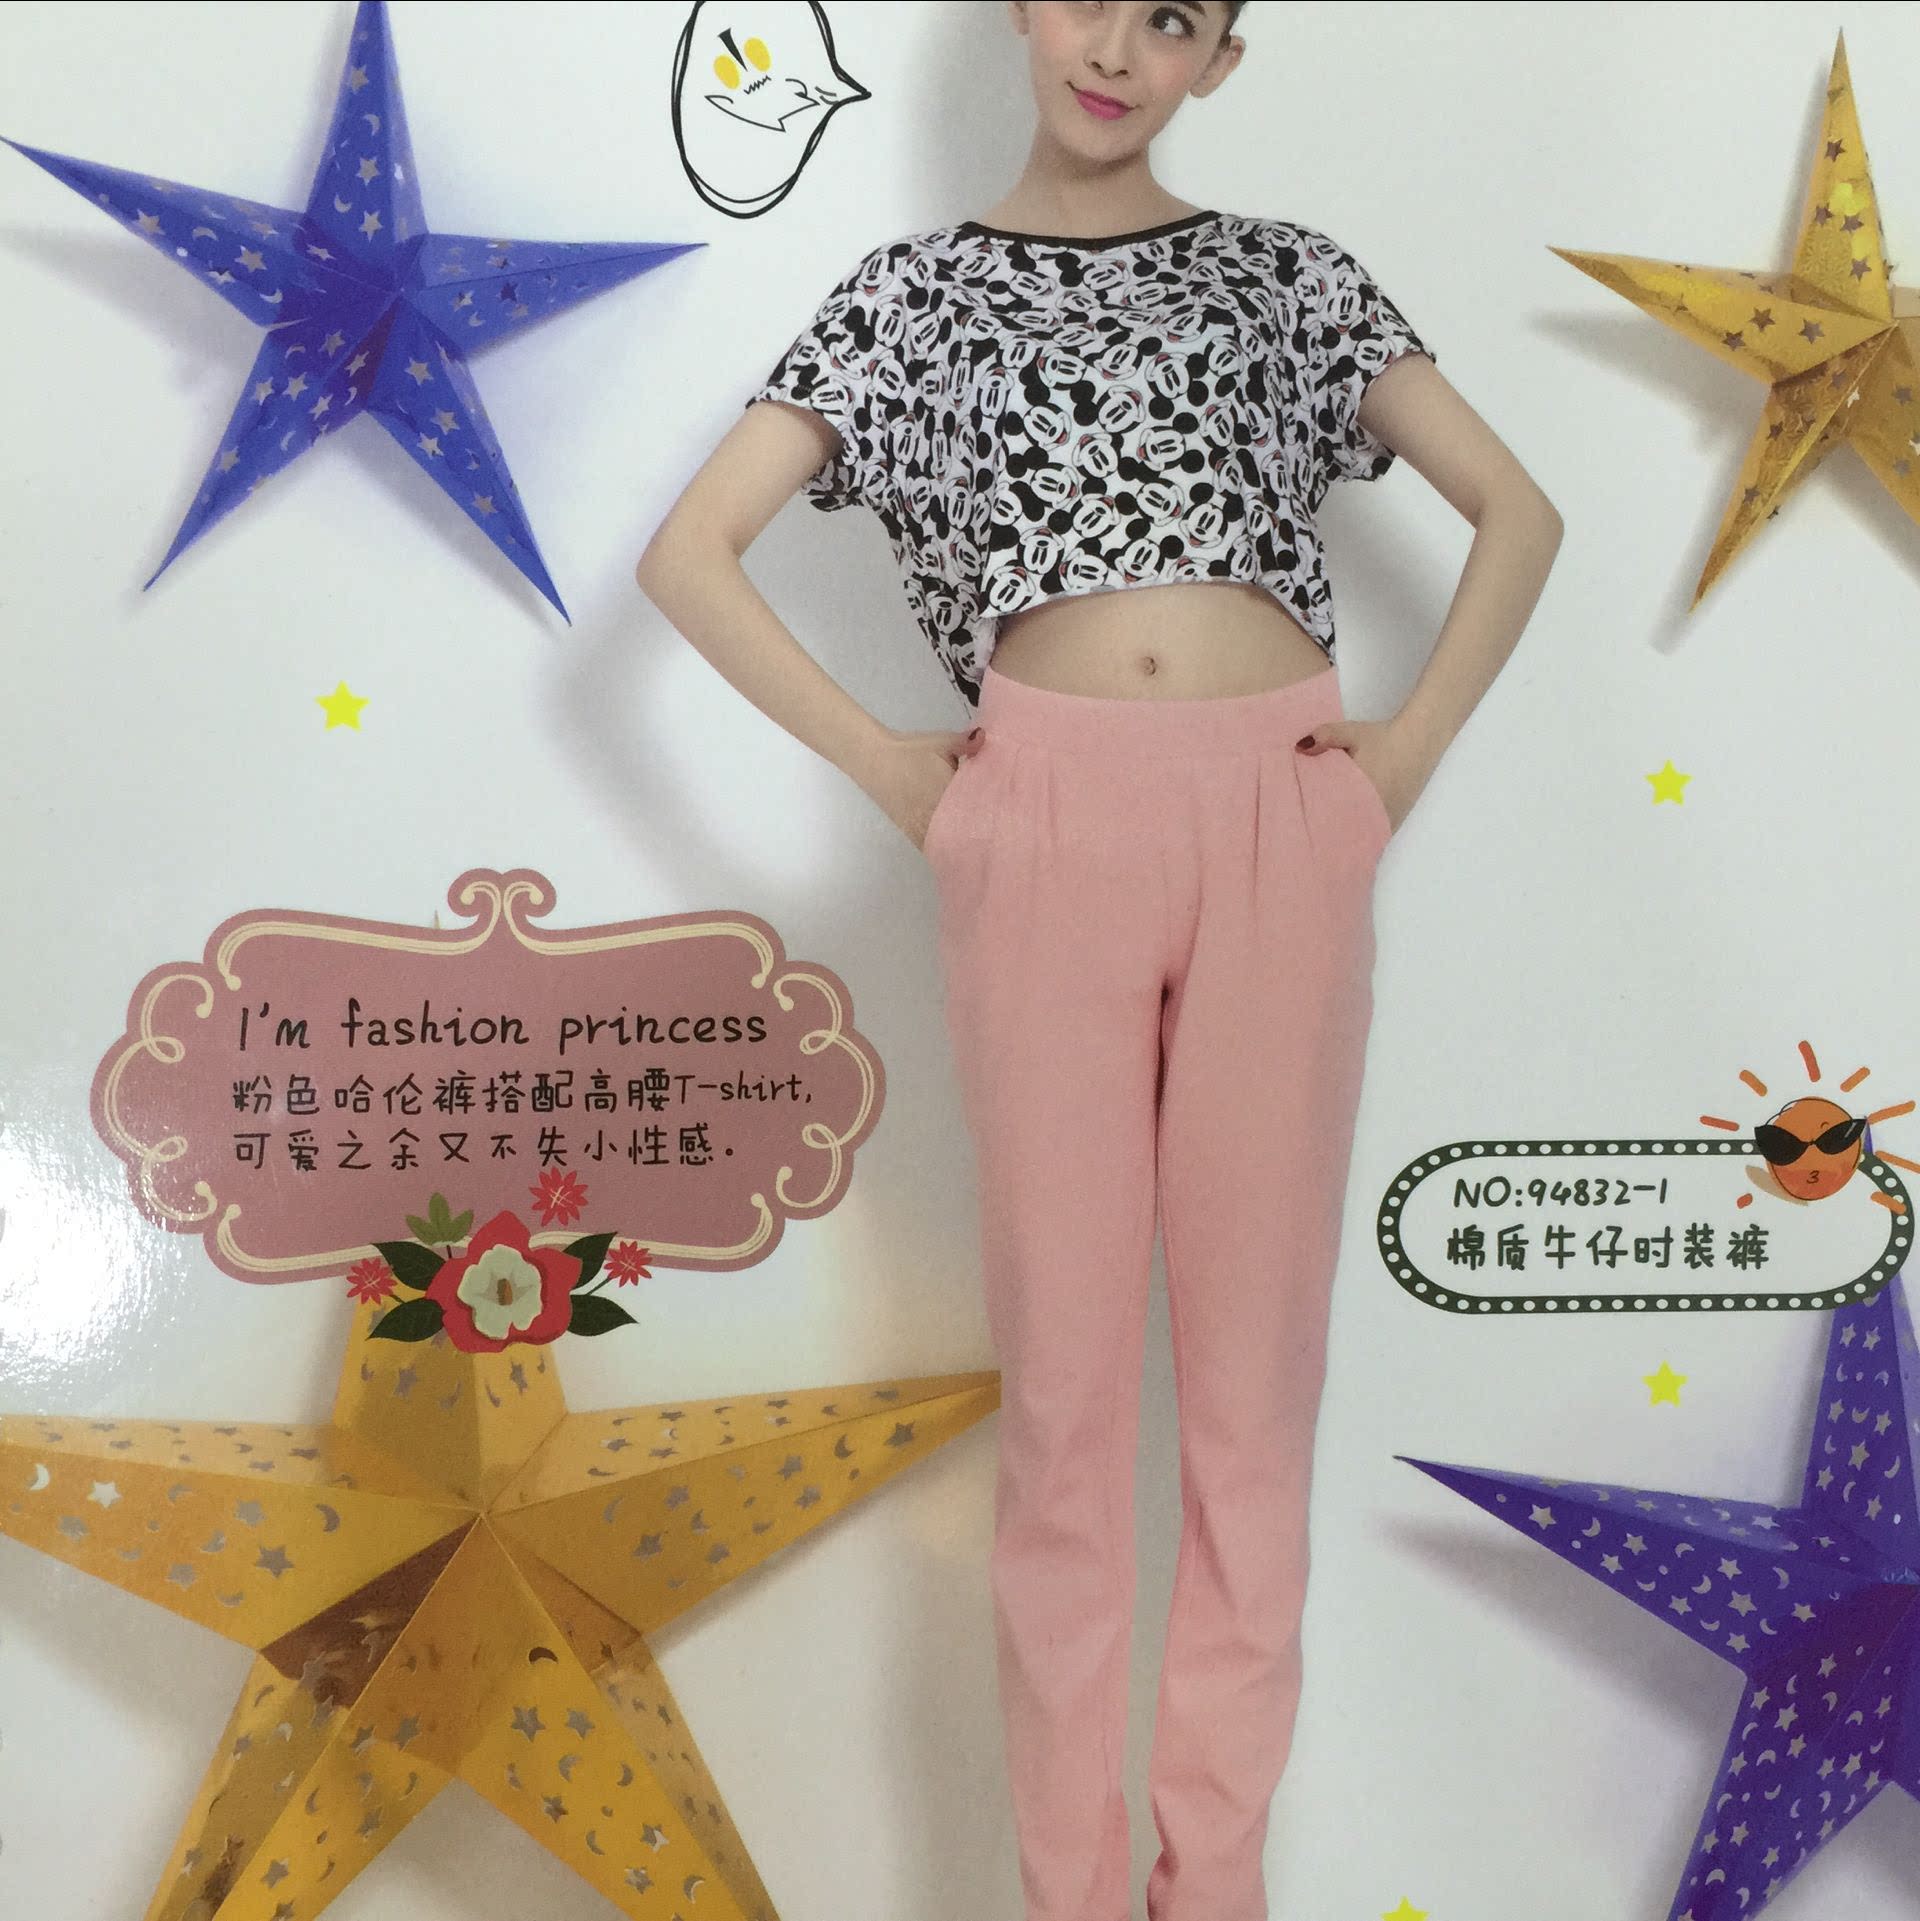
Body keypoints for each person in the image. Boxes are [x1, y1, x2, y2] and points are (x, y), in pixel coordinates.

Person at [636, 4, 1562, 1916]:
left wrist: (1394, 767)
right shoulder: (906, 296)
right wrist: (900, 770)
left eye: (1175, 18)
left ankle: (1210, 1886)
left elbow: (1520, 513)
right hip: (1039, 824)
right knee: (1065, 1412)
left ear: (1222, 58)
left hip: (1281, 822)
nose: (1119, 47)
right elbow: (688, 554)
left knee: (1250, 1405)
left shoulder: (1288, 273)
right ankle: (1068, 1892)